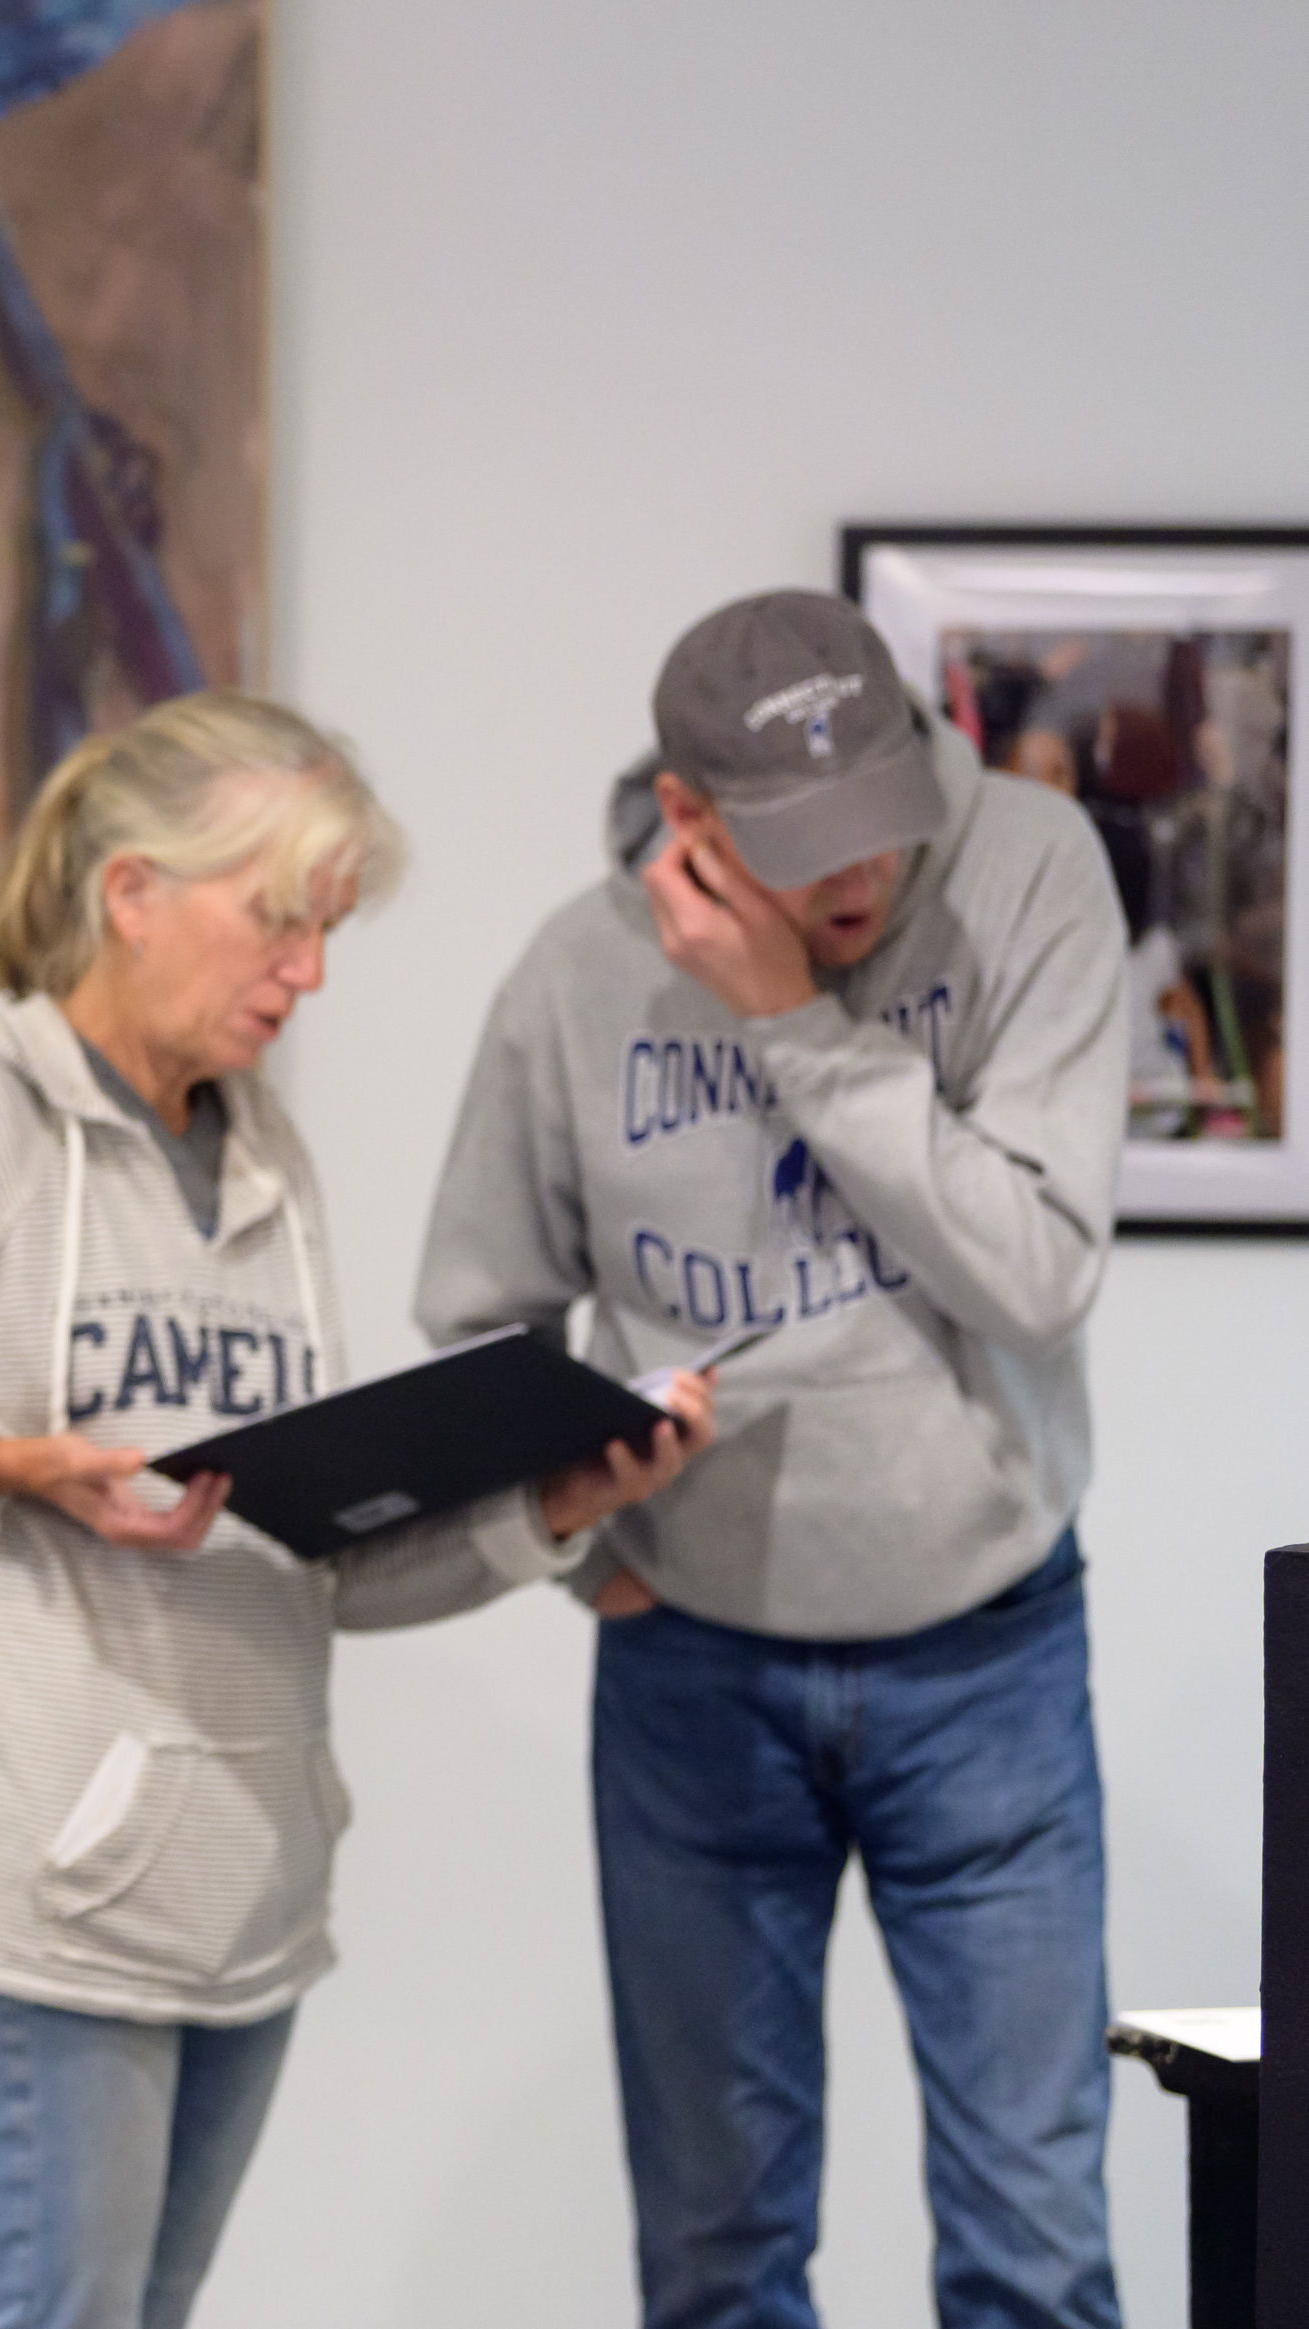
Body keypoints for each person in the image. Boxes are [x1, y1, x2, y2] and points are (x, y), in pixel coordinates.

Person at [0, 691, 712, 2329]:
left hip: (251, 1885)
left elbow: (319, 1563)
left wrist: (554, 1508)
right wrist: (3, 1463)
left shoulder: (267, 1156)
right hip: (47, 1892)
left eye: (330, 932)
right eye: (278, 922)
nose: (307, 976)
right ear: (132, 891)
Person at [418, 588, 1129, 2329]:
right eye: (803, 846)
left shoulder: (1031, 876)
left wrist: (797, 1022)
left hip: (987, 1650)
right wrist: (593, 1546)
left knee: (1033, 2251)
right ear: (688, 817)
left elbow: (1037, 1272)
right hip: (696, 1672)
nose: (859, 876)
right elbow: (479, 1329)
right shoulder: (576, 977)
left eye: (881, 815)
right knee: (717, 2260)